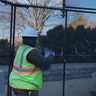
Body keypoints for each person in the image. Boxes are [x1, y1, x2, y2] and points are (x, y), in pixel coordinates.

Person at [9, 26, 55, 96]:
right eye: (35, 40)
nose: (35, 42)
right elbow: (44, 63)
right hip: (26, 86)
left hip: (17, 83)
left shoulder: (21, 48)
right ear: (31, 39)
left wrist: (39, 53)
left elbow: (30, 61)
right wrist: (51, 55)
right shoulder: (31, 51)